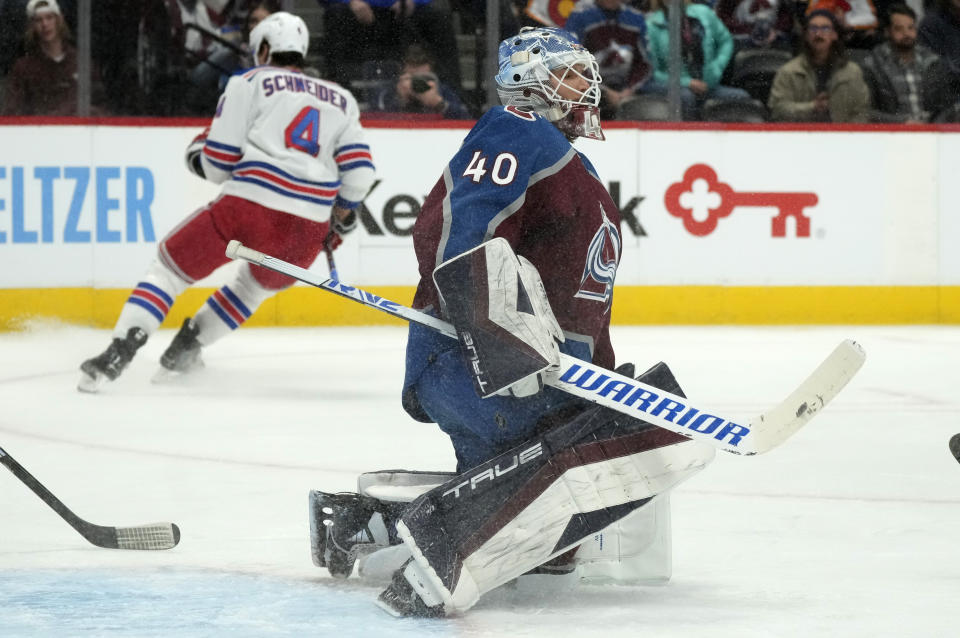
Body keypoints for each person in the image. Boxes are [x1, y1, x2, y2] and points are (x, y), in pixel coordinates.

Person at [305, 26, 715, 618]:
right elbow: (452, 231)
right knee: (644, 437)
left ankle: (369, 525)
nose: (589, 86)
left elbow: (580, 304)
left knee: (549, 545)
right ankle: (444, 552)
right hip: (479, 368)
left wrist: (597, 380)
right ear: (530, 82)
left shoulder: (573, 165)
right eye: (572, 74)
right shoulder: (515, 130)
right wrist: (495, 339)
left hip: (532, 380)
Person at [77, 12, 375, 392]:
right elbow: (361, 173)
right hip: (307, 228)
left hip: (249, 207)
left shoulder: (248, 81)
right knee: (253, 288)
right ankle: (185, 350)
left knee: (168, 271)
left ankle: (119, 351)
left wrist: (197, 152)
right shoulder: (343, 99)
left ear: (265, 49)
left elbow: (218, 165)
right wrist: (344, 211)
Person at [315, 0, 461, 94]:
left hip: (400, 11)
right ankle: (337, 90)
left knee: (438, 18)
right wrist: (351, 2)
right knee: (336, 15)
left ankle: (450, 92)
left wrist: (413, 1)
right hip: (356, 11)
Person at [642, 0, 751, 119]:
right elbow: (651, 73)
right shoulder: (651, 25)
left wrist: (717, 67)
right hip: (676, 89)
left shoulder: (703, 13)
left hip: (707, 86)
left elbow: (726, 41)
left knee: (741, 97)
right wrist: (686, 82)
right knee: (687, 97)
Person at [2, 0, 107, 116]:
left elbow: (100, 105)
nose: (45, 24)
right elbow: (12, 113)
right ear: (32, 26)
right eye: (38, 20)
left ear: (59, 20)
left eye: (49, 17)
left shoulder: (81, 63)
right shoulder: (23, 69)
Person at [768, 9, 871, 121]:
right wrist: (812, 107)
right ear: (806, 35)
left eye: (825, 28)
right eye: (813, 28)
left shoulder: (852, 72)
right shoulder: (789, 72)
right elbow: (777, 110)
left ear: (834, 35)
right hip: (802, 135)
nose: (818, 34)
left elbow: (862, 112)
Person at [564, 0, 653, 118]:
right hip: (589, 87)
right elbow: (571, 61)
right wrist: (602, 91)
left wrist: (629, 89)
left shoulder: (635, 18)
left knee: (663, 98)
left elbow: (644, 64)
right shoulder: (581, 16)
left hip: (626, 88)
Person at [861, 4, 940, 122]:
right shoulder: (872, 65)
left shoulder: (931, 61)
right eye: (899, 29)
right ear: (887, 32)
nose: (906, 34)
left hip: (931, 132)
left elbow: (944, 105)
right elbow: (865, 111)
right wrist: (902, 122)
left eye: (910, 28)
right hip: (893, 134)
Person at [371, 43, 471, 118]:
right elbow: (374, 117)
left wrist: (438, 103)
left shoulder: (443, 91)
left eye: (423, 78)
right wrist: (399, 100)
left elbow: (466, 119)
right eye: (412, 78)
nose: (418, 84)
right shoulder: (387, 92)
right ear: (403, 73)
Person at [714, 0, 796, 51]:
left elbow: (787, 17)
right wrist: (749, 30)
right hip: (742, 40)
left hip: (775, 40)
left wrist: (774, 30)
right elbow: (722, 18)